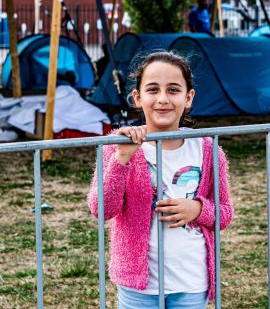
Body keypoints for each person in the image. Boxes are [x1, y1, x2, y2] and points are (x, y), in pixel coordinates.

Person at [87, 51, 234, 308]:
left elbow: (225, 213)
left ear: (188, 98)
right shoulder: (117, 147)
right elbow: (102, 209)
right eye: (153, 89)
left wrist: (198, 209)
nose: (163, 99)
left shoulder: (209, 150)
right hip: (139, 287)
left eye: (173, 90)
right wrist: (122, 159)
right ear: (137, 97)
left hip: (191, 281)